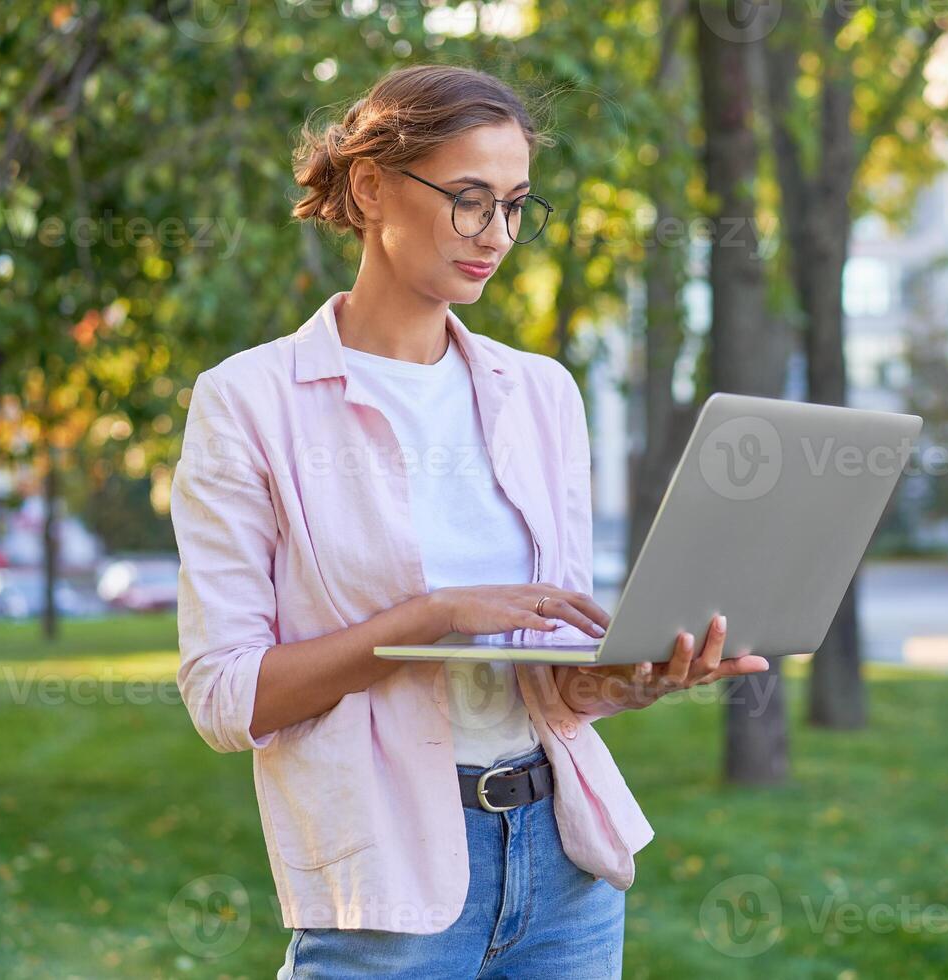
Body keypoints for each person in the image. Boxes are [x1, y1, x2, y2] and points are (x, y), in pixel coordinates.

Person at [169, 63, 771, 979]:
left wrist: (631, 679)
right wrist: (431, 620)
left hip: (564, 872)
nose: (497, 235)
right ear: (370, 188)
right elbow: (225, 697)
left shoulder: (542, 394)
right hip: (390, 891)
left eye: (517, 203)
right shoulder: (249, 401)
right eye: (468, 199)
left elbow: (551, 680)